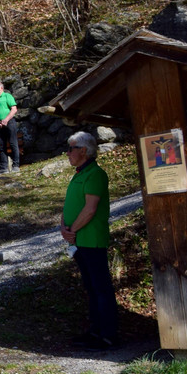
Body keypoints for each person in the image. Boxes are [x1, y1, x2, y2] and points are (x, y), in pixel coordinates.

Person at [60, 131, 117, 350]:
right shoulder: (79, 174)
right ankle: (95, 332)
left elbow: (90, 209)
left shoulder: (95, 174)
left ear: (83, 150)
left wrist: (72, 230)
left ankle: (108, 336)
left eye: (71, 149)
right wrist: (63, 227)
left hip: (91, 240)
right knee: (91, 288)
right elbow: (69, 204)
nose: (67, 153)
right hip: (79, 240)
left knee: (100, 288)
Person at [0, 81, 20, 173]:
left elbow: (14, 109)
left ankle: (16, 166)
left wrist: (6, 119)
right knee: (1, 146)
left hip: (9, 123)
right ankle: (4, 168)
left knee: (13, 143)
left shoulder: (7, 96)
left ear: (1, 88)